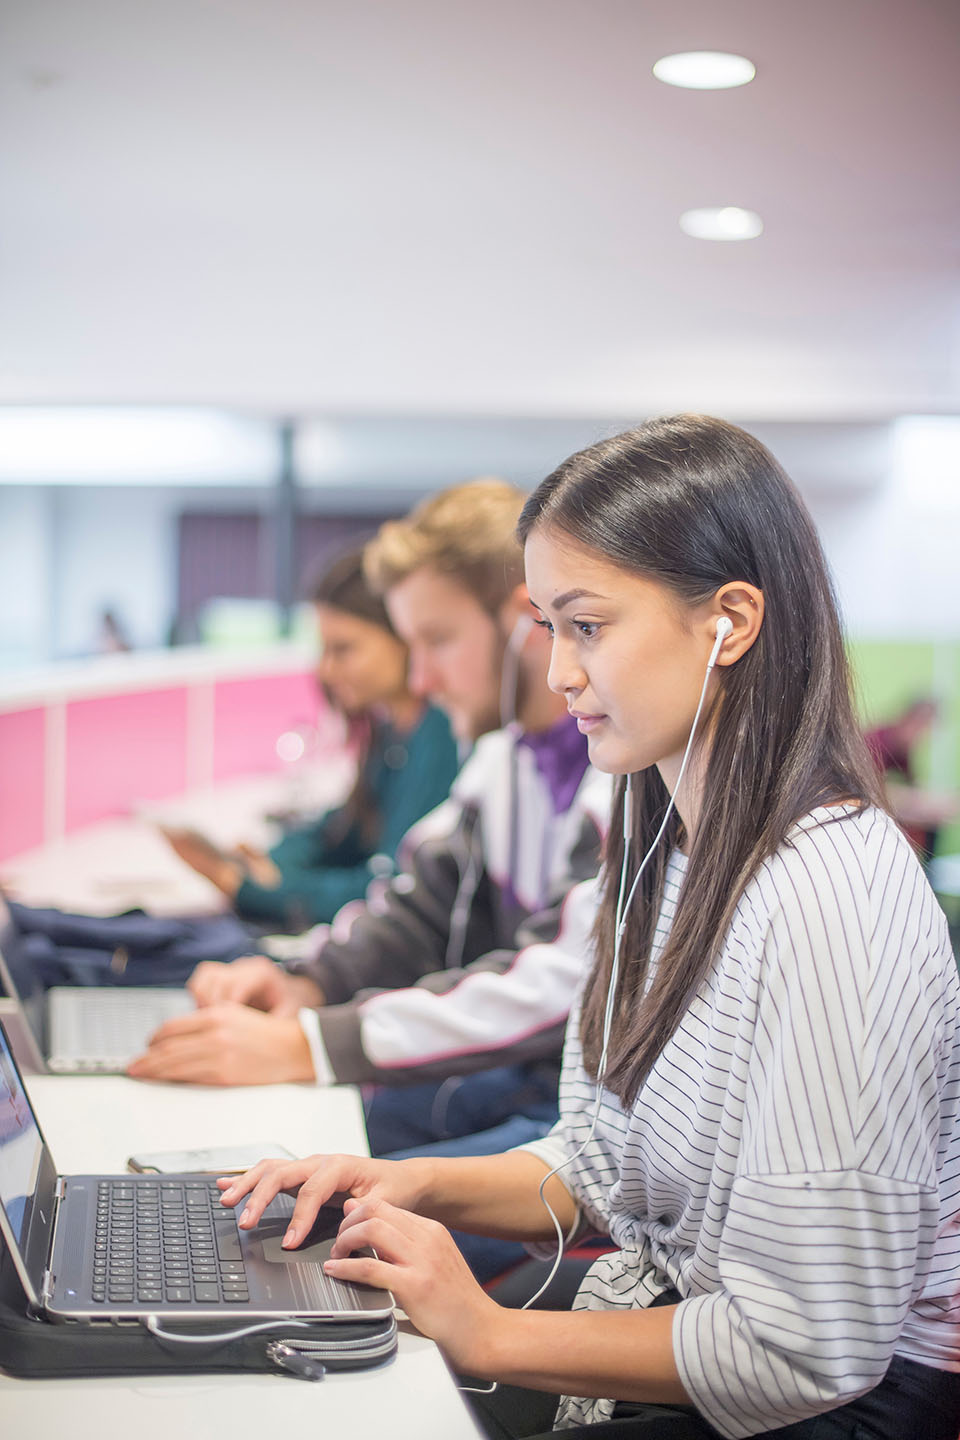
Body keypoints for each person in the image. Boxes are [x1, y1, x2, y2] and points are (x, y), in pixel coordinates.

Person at [218, 416, 960, 1440]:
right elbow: (608, 1164)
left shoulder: (829, 896)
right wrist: (405, 1184)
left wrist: (489, 1333)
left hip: (844, 1402)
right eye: (548, 628)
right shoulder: (662, 839)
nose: (559, 671)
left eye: (588, 626)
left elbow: (806, 1351)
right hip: (690, 1306)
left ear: (730, 620)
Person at [129, 481, 611, 1185]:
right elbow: (416, 908)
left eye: (437, 641)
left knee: (334, 1211)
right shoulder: (503, 761)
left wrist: (313, 1045)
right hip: (519, 1085)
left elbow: (560, 981)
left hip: (584, 1129)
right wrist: (307, 984)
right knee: (251, 1163)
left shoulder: (616, 770)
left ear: (525, 620)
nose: (421, 678)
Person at [160, 549, 460, 931]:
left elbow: (390, 888)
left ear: (403, 635)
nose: (326, 669)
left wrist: (250, 888)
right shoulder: (394, 731)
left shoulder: (442, 737)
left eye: (343, 649)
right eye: (323, 649)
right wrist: (272, 860)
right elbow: (343, 832)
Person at [864, 698, 958, 862]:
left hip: (880, 808)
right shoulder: (877, 742)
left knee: (931, 819)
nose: (922, 738)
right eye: (923, 729)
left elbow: (911, 784)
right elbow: (868, 788)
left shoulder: (902, 750)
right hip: (864, 810)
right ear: (911, 720)